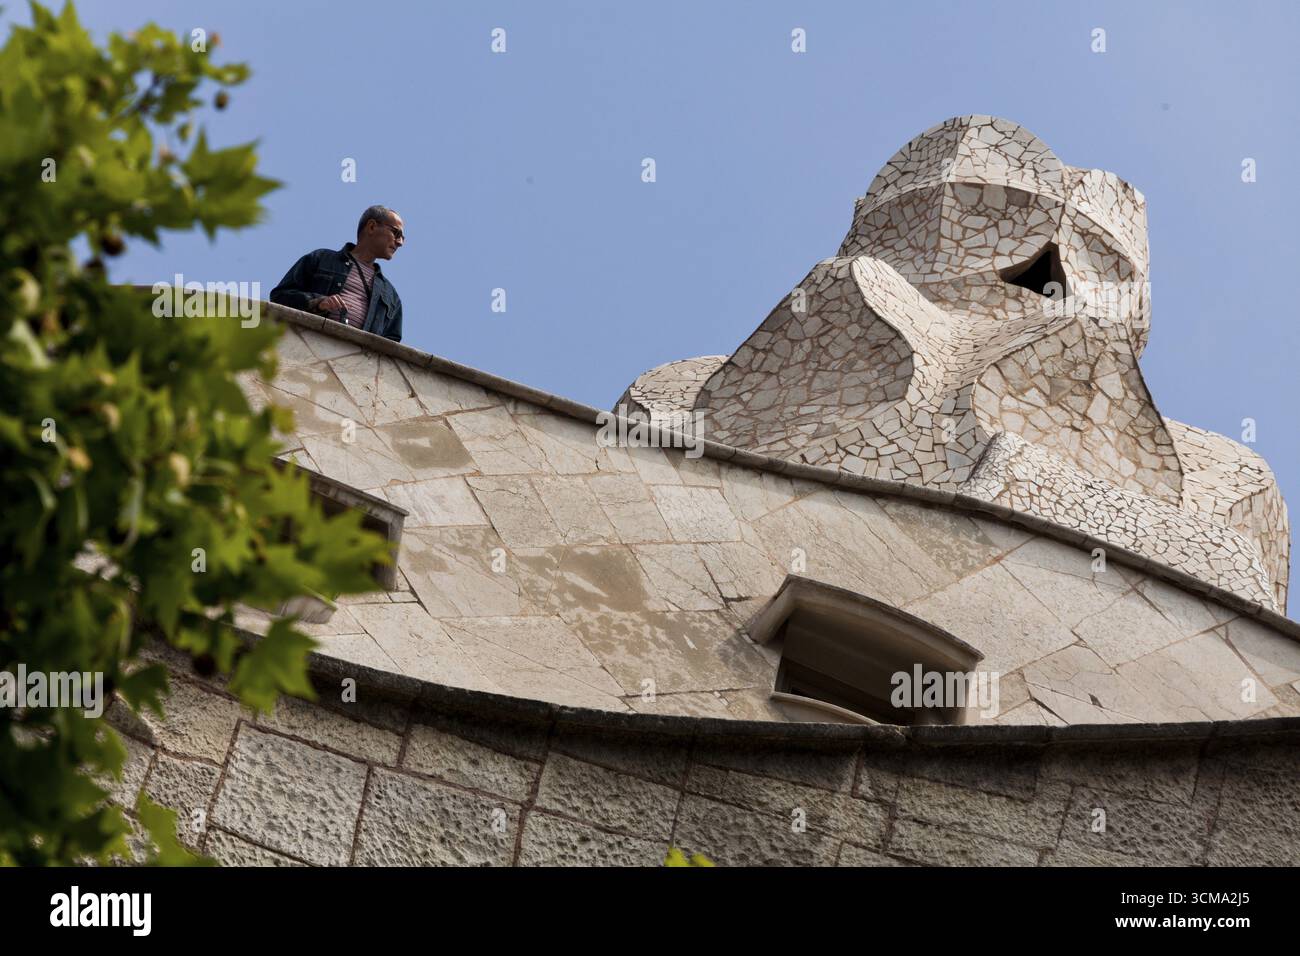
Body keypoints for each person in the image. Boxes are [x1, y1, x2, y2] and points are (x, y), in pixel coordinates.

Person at [270, 205, 405, 342]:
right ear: (371, 227)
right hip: (309, 347)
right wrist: (318, 302)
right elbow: (280, 296)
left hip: (356, 361)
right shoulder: (321, 259)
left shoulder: (391, 296)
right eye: (396, 233)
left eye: (402, 238)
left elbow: (392, 345)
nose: (400, 242)